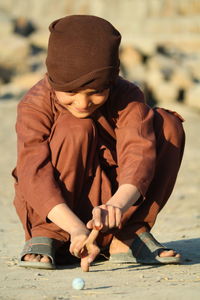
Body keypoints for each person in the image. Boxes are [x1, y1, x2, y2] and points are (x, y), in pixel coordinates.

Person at [12, 15, 185, 270]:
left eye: (96, 92)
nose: (83, 103)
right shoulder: (35, 104)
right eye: (70, 92)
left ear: (111, 81)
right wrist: (74, 228)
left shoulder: (127, 96)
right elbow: (33, 172)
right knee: (75, 125)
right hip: (58, 213)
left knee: (168, 125)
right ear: (53, 78)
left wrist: (116, 206)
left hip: (115, 208)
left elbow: (138, 153)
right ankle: (50, 235)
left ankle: (127, 236)